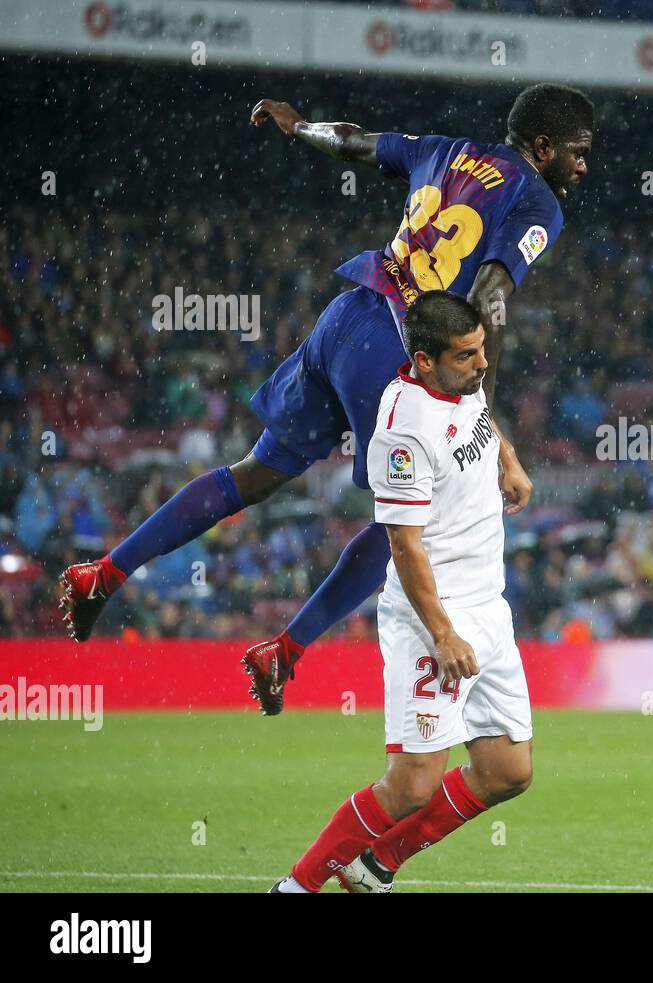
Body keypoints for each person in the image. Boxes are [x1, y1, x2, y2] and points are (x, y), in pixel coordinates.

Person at [58, 85, 593, 715]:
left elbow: (358, 142)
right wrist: (478, 411)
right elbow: (493, 289)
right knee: (409, 522)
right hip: (399, 352)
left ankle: (105, 573)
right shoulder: (537, 200)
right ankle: (285, 650)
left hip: (348, 315)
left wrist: (297, 128)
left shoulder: (445, 151)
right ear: (544, 147)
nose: (584, 166)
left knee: (255, 475)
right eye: (580, 153)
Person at [272, 291, 532, 894]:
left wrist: (508, 460)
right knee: (412, 784)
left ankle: (373, 866)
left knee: (507, 770)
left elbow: (482, 421)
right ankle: (295, 887)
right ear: (423, 359)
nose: (481, 364)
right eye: (466, 355)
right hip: (432, 618)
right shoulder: (402, 432)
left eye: (481, 350)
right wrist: (442, 634)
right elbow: (405, 544)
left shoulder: (462, 384)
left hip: (488, 605)